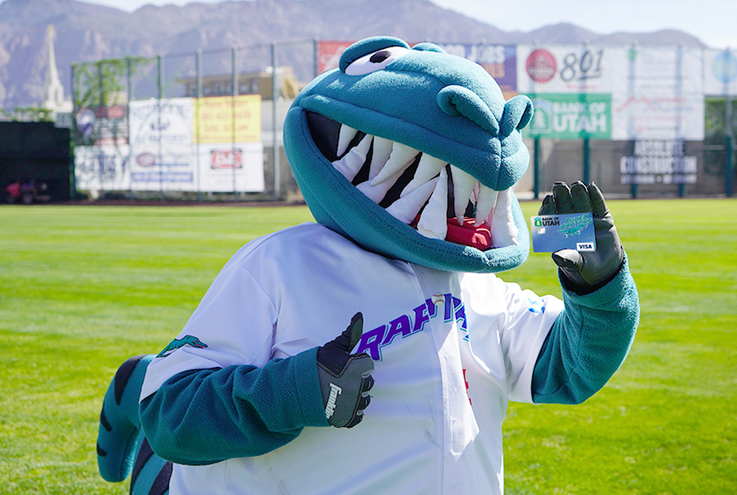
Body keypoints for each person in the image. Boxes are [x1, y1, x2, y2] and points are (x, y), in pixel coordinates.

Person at [97, 37, 639, 495]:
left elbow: (568, 368)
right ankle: (131, 383)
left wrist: (598, 290)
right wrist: (293, 392)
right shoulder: (281, 264)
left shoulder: (480, 286)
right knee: (159, 453)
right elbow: (171, 409)